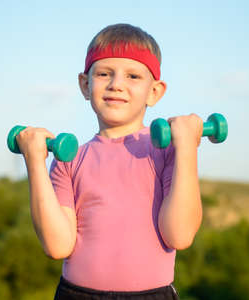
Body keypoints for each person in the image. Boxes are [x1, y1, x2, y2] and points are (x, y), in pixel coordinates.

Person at [16, 23, 203, 300]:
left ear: (154, 91)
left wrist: (187, 146)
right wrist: (35, 161)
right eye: (104, 73)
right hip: (77, 294)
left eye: (133, 76)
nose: (117, 84)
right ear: (85, 84)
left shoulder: (166, 152)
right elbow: (57, 246)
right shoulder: (70, 159)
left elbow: (180, 235)